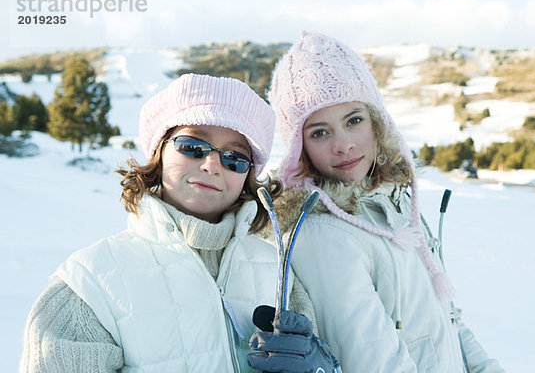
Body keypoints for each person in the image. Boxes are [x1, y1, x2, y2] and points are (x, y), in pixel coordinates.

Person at [20, 73, 337, 373]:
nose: (212, 164)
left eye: (235, 159)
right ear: (158, 151)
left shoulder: (277, 271)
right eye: (192, 147)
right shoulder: (89, 284)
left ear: (248, 178)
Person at [266, 31, 505, 372]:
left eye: (354, 120)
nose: (344, 144)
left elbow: (449, 323)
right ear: (297, 148)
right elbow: (376, 361)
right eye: (320, 132)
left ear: (377, 121)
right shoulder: (322, 235)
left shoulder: (395, 203)